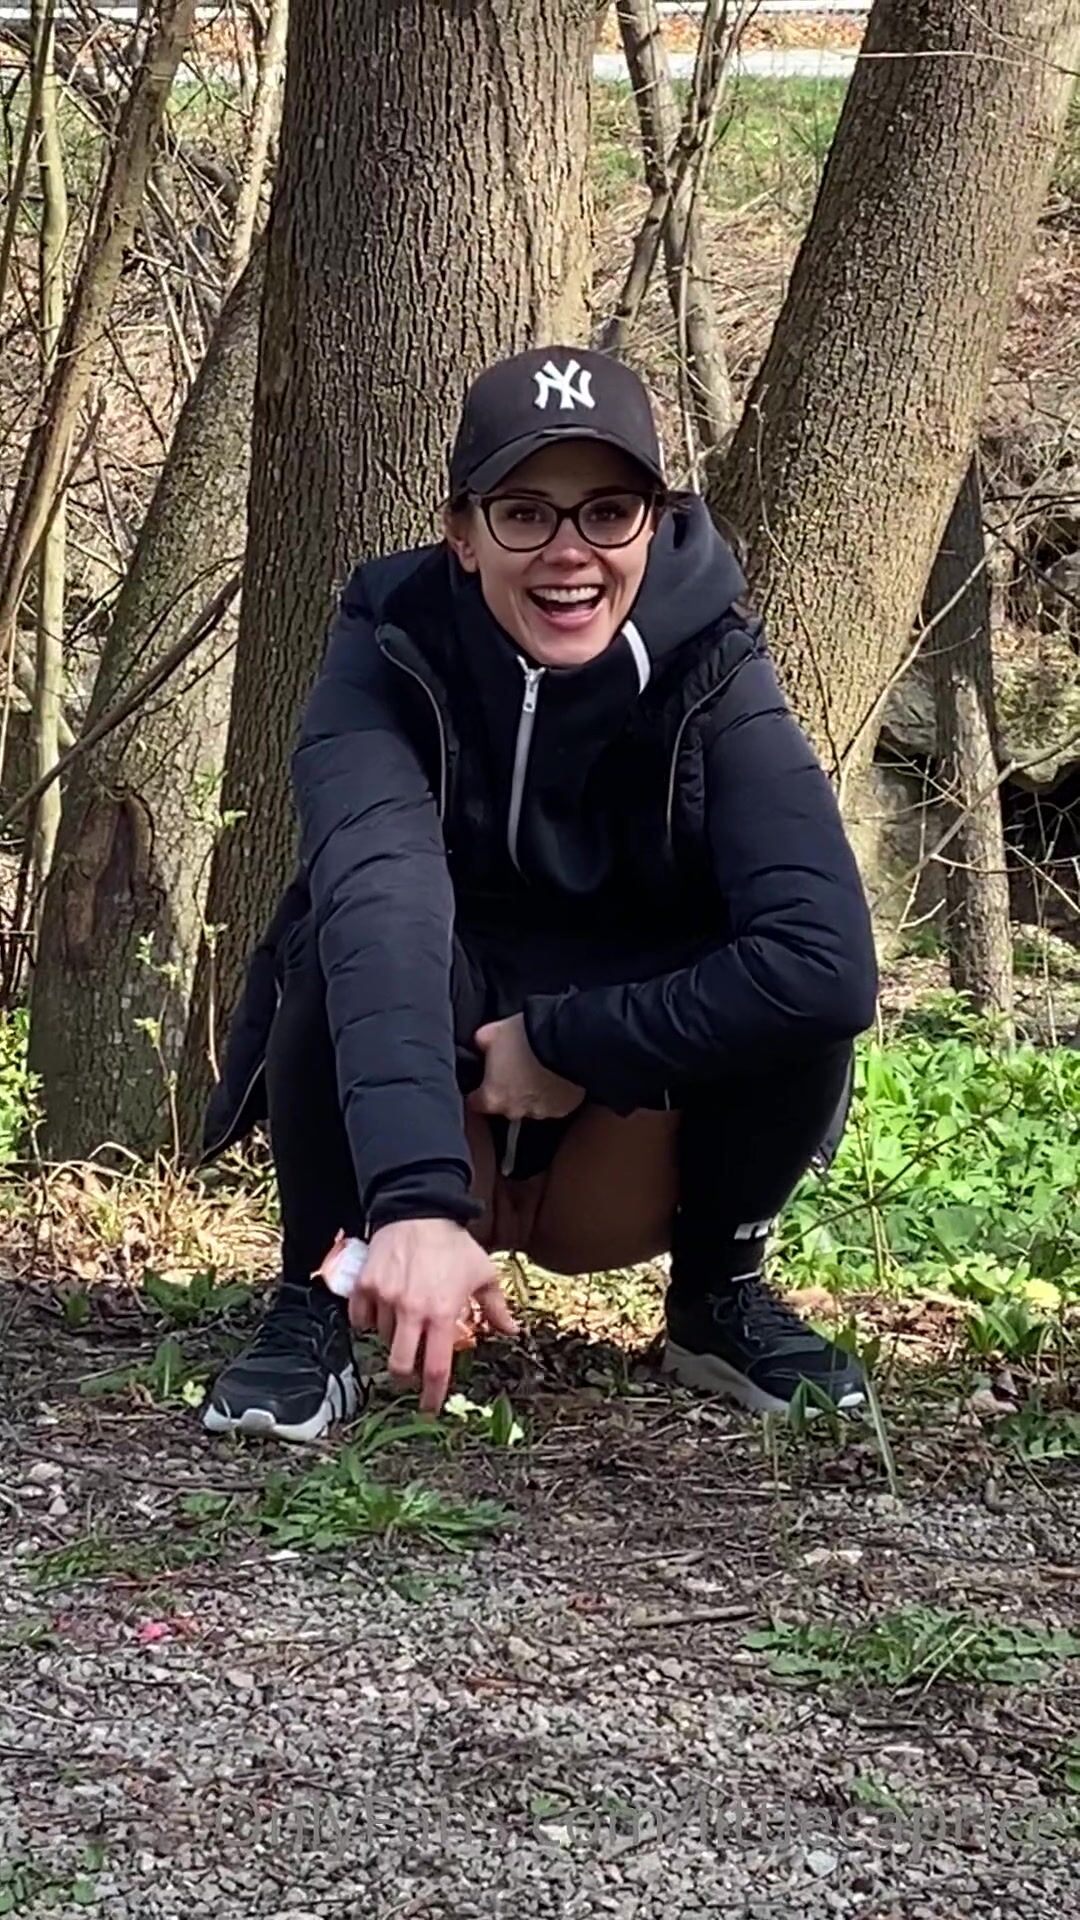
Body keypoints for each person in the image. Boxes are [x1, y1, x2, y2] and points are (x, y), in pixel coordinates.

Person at [199, 345, 878, 1445]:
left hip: (627, 1125)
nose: (570, 552)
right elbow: (383, 904)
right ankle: (315, 1298)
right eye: (525, 513)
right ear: (463, 534)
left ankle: (719, 1294)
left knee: (788, 971)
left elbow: (827, 964)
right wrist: (419, 1196)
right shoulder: (387, 647)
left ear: (655, 523)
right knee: (337, 933)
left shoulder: (717, 663)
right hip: (440, 1078)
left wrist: (568, 1041)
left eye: (607, 512)